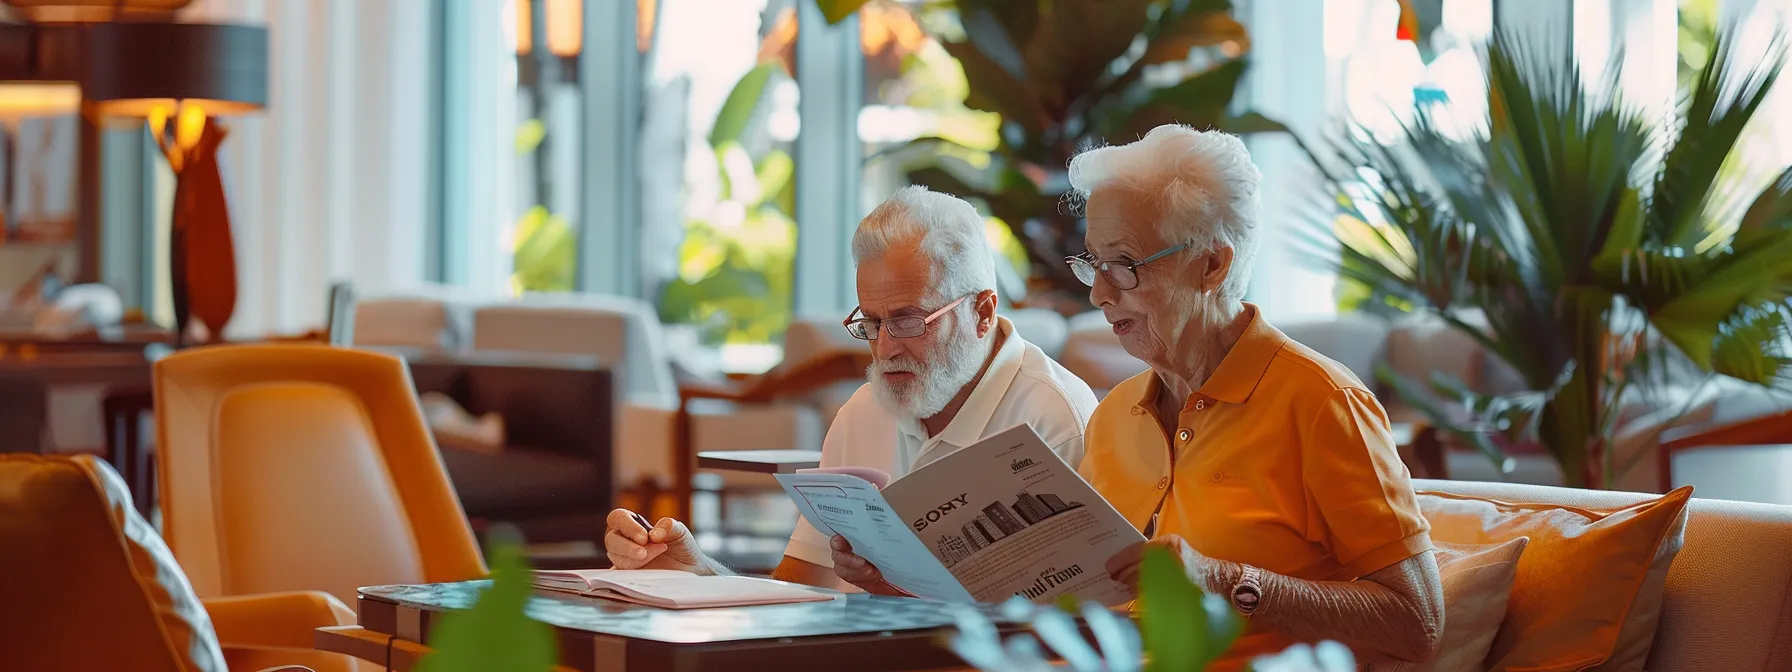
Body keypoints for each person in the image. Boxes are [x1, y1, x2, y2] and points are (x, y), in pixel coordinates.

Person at [1068, 125, 1444, 668]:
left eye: (1124, 265)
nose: (1099, 293)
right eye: (1091, 263)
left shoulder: (1323, 403)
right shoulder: (1113, 416)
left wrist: (1226, 581)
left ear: (1212, 266)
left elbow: (1418, 622)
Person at [603, 185, 1099, 594]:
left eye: (908, 321)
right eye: (871, 322)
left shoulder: (1053, 419)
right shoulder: (867, 409)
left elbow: (1066, 636)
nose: (884, 349)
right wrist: (698, 574)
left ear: (983, 312)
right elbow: (800, 594)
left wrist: (898, 590)